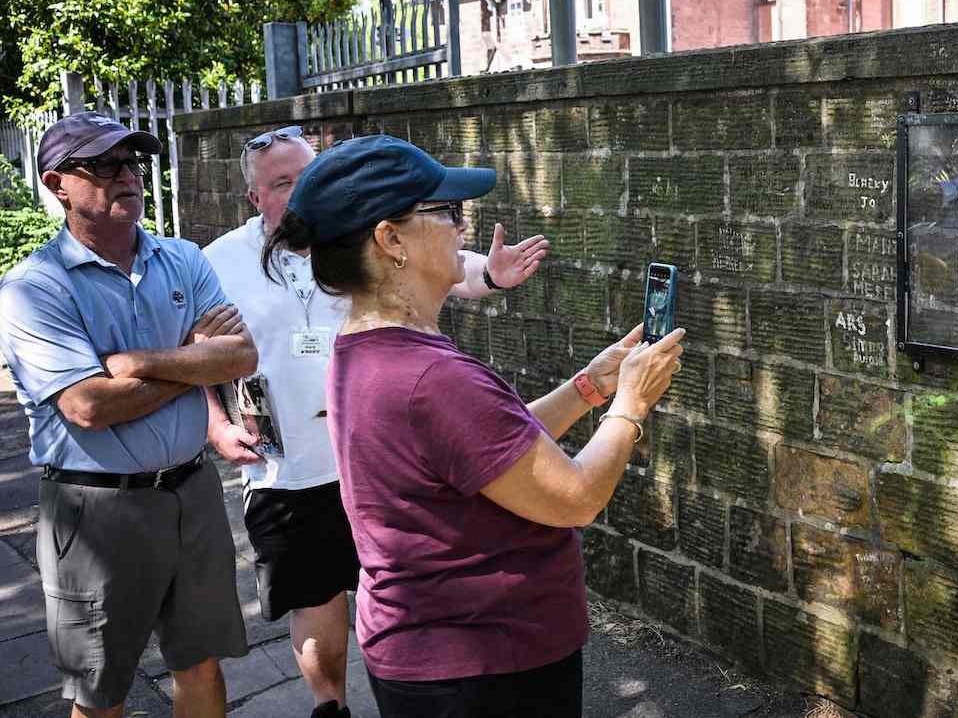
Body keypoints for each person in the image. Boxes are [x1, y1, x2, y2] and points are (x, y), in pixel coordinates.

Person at [261, 135, 685, 718]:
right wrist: (632, 404)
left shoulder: (367, 349)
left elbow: (489, 449)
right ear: (390, 240)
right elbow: (576, 497)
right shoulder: (431, 378)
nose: (463, 227)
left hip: (431, 654)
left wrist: (589, 386)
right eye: (447, 211)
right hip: (484, 666)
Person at [200, 125, 550, 718]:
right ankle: (330, 705)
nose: (299, 190)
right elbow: (196, 352)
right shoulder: (216, 262)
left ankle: (412, 688)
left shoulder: (356, 233)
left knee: (403, 585)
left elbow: (441, 261)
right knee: (314, 597)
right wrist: (215, 424)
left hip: (376, 455)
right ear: (254, 198)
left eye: (307, 175)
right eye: (282, 183)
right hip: (288, 467)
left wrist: (490, 274)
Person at [0, 112, 257, 718]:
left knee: (201, 663)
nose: (128, 175)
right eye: (104, 165)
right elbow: (88, 405)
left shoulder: (183, 258)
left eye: (133, 162)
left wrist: (137, 363)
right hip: (98, 510)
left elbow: (241, 356)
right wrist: (193, 357)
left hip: (192, 492)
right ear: (57, 184)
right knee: (101, 690)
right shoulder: (34, 288)